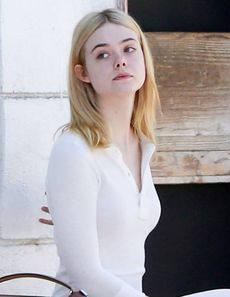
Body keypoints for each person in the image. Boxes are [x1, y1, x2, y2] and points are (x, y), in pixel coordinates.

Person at [43, 8, 161, 297]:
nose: (120, 60)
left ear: (144, 58)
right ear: (83, 73)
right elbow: (86, 274)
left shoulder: (142, 143)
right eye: (103, 54)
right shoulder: (74, 149)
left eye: (129, 49)